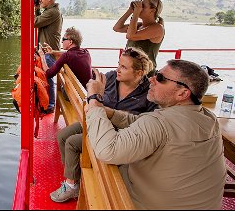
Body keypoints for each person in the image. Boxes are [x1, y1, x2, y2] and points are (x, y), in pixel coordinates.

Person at [85, 59, 226, 209]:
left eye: (160, 78)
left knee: (97, 161)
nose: (151, 79)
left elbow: (107, 150)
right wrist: (110, 113)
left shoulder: (158, 124)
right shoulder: (209, 118)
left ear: (182, 93)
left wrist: (95, 99)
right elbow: (141, 122)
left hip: (148, 205)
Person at [50, 47, 158, 203]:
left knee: (72, 143)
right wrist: (94, 93)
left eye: (124, 67)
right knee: (62, 135)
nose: (117, 69)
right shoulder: (111, 78)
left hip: (120, 134)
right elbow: (93, 96)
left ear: (139, 73)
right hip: (98, 122)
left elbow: (146, 121)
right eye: (118, 64)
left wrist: (105, 110)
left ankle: (72, 186)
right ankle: (73, 176)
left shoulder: (148, 92)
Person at [113, 0, 164, 74]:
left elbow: (130, 36)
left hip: (144, 74)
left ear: (152, 10)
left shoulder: (157, 28)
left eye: (143, 6)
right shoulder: (138, 25)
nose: (139, 7)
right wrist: (130, 10)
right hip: (130, 71)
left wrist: (136, 13)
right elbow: (117, 28)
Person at [38, 26, 92, 93]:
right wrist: (53, 52)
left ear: (70, 42)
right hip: (86, 91)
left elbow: (48, 74)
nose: (61, 42)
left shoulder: (67, 56)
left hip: (73, 94)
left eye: (63, 39)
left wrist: (42, 56)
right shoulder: (85, 52)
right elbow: (71, 53)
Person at [34, 0, 63, 113]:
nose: (40, 0)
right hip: (47, 50)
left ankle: (50, 105)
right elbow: (38, 22)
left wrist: (35, 9)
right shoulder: (51, 11)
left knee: (48, 78)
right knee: (47, 78)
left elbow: (34, 22)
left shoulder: (52, 12)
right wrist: (37, 9)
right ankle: (48, 103)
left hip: (49, 51)